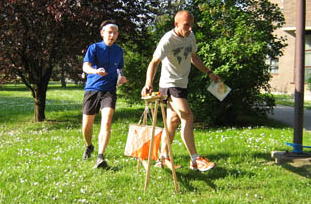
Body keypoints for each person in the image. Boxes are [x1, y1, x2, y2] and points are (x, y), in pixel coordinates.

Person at [141, 10, 221, 172]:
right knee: (188, 116)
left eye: (191, 25)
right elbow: (154, 62)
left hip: (182, 84)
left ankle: (163, 157)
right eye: (186, 25)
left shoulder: (190, 36)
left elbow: (194, 57)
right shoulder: (168, 39)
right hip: (169, 84)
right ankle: (195, 159)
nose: (190, 28)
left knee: (172, 122)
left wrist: (209, 73)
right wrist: (148, 83)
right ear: (176, 24)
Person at [82, 20, 127, 169]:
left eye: (115, 33)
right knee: (86, 127)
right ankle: (89, 146)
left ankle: (100, 157)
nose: (112, 35)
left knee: (106, 122)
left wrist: (121, 77)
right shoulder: (94, 48)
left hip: (109, 91)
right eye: (109, 32)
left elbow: (120, 69)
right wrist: (96, 71)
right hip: (92, 89)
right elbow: (86, 66)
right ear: (102, 33)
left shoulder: (119, 51)